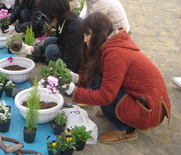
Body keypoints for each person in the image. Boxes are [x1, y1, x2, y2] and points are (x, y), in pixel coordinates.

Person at [71, 12, 171, 144]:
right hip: (146, 103)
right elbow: (101, 76)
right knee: (98, 79)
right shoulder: (112, 43)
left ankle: (126, 130)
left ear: (99, 32)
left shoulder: (114, 53)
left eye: (88, 34)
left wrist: (74, 91)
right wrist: (76, 78)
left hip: (149, 111)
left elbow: (106, 95)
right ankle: (115, 113)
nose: (85, 40)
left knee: (103, 91)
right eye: (84, 35)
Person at [11, 0, 82, 75]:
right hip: (71, 52)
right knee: (49, 41)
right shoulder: (64, 20)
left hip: (80, 63)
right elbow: (61, 42)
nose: (46, 17)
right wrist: (31, 49)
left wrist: (59, 74)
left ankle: (61, 70)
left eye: (46, 13)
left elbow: (71, 60)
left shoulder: (74, 30)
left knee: (51, 50)